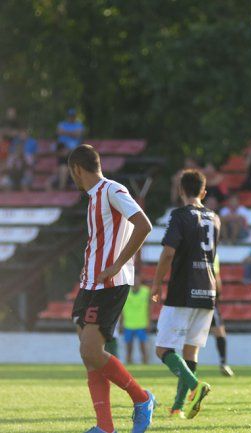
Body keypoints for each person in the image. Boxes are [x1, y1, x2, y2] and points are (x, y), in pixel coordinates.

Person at [67, 144, 155, 433]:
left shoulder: (112, 190)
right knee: (88, 354)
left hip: (109, 283)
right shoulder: (93, 198)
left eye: (73, 174)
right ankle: (105, 427)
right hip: (90, 282)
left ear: (77, 169)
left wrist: (117, 265)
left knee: (92, 351)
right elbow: (100, 242)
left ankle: (142, 399)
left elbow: (144, 225)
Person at [151, 169, 218, 419]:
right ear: (203, 191)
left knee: (163, 349)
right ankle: (178, 407)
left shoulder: (179, 215)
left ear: (180, 190)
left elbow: (168, 253)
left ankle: (194, 386)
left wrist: (157, 283)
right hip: (207, 291)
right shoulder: (215, 218)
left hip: (183, 290)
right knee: (191, 351)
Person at [211, 254, 234, 377]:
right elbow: (216, 277)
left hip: (205, 297)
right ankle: (223, 362)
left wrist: (218, 295)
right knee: (219, 331)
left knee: (219, 331)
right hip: (206, 296)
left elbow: (216, 276)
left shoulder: (215, 254)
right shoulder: (212, 252)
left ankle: (223, 363)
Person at [122, 270, 151, 365]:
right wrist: (121, 323)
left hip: (141, 323)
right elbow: (122, 308)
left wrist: (148, 322)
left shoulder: (146, 291)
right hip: (128, 324)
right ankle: (129, 363)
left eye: (137, 279)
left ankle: (145, 363)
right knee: (129, 347)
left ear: (140, 280)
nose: (135, 281)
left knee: (143, 346)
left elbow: (151, 304)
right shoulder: (125, 292)